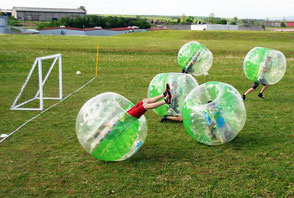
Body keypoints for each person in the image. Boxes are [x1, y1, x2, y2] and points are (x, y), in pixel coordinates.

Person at [91, 84, 172, 143]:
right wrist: (109, 126)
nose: (101, 130)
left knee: (144, 101)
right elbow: (117, 126)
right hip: (129, 118)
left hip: (126, 114)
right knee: (145, 106)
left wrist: (106, 124)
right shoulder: (110, 135)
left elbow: (110, 122)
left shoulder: (106, 128)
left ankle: (164, 94)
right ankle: (166, 101)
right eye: (100, 132)